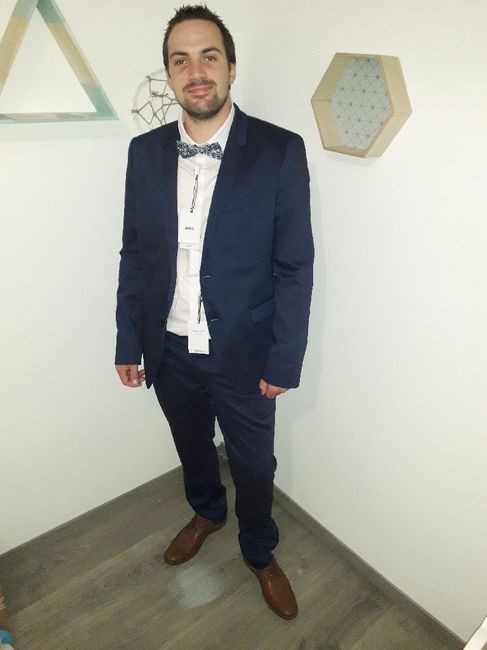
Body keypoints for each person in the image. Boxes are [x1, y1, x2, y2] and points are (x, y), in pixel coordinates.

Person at [115, 5, 313, 620]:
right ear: (169, 74)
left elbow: (294, 266)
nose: (195, 71)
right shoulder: (144, 153)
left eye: (209, 56)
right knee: (192, 443)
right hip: (167, 346)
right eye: (181, 60)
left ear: (230, 67)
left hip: (245, 352)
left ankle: (259, 550)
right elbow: (134, 253)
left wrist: (284, 359)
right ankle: (206, 511)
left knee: (254, 463)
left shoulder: (280, 151)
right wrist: (128, 340)